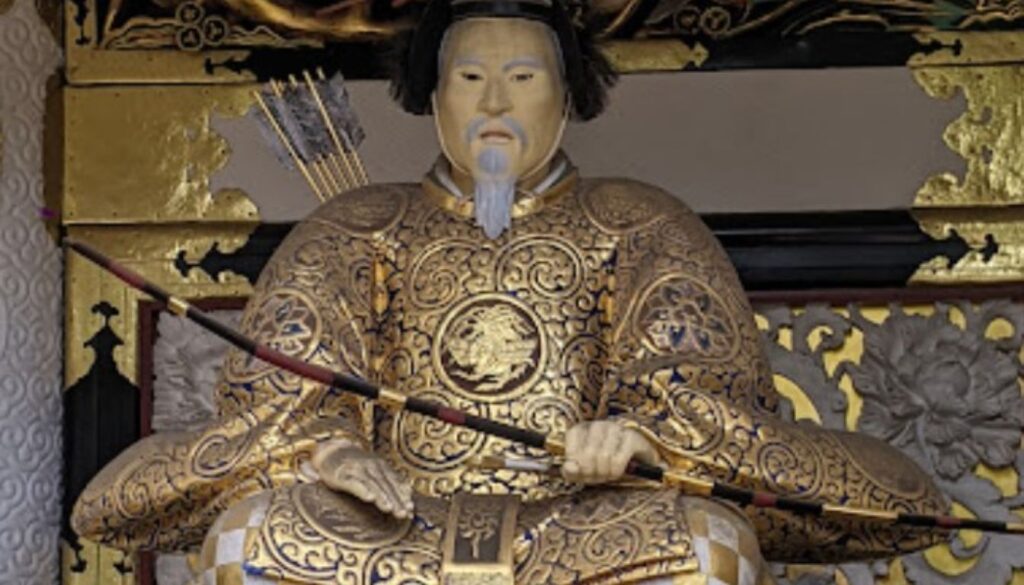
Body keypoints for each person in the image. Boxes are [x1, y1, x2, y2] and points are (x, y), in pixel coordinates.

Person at [72, 1, 947, 582]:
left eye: (523, 78)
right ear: (434, 100)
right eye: (470, 78)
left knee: (706, 545)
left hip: (579, 529)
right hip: (390, 535)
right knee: (249, 534)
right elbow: (283, 407)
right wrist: (330, 456)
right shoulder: (353, 229)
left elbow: (704, 406)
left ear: (566, 100)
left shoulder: (640, 224)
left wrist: (637, 439)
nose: (496, 100)